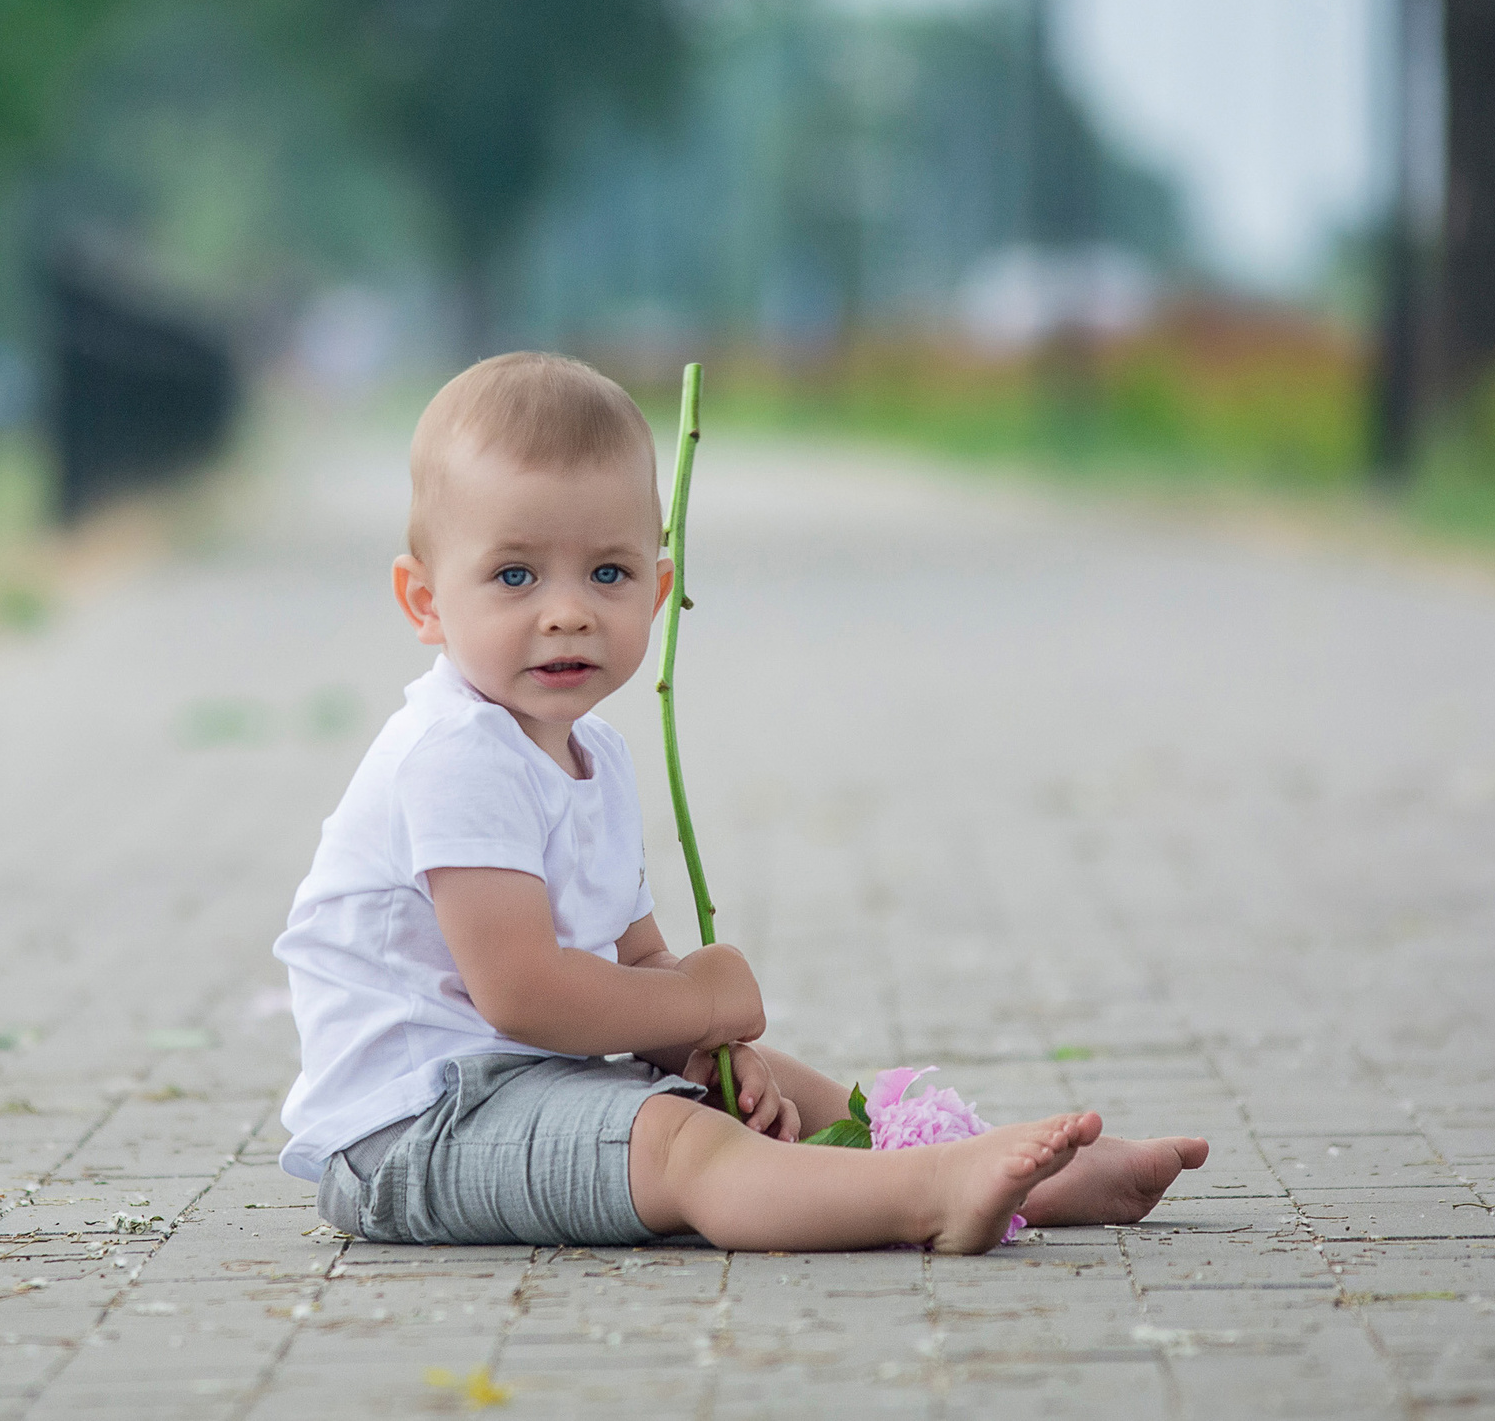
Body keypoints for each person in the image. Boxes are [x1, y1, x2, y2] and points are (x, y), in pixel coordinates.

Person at [274, 352, 1208, 1251]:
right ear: (425, 600)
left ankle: (1006, 1172)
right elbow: (523, 993)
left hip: (527, 1079)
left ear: (658, 589)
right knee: (689, 1147)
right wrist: (702, 1001)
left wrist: (704, 1039)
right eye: (515, 575)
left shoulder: (591, 751)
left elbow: (633, 955)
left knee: (771, 1092)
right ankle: (928, 1195)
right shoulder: (454, 756)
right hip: (413, 1129)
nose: (567, 611)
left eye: (608, 574)